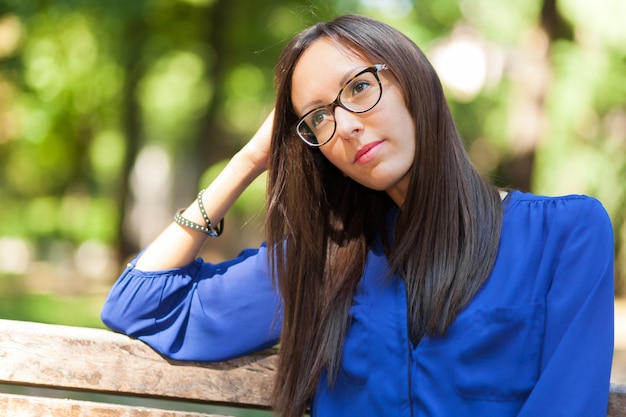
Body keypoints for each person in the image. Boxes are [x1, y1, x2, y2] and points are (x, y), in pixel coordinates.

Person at [101, 14, 615, 417]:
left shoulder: (564, 234)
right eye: (317, 117)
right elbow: (141, 304)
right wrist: (250, 160)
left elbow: (568, 404)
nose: (344, 126)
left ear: (413, 81)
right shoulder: (325, 263)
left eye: (359, 88)